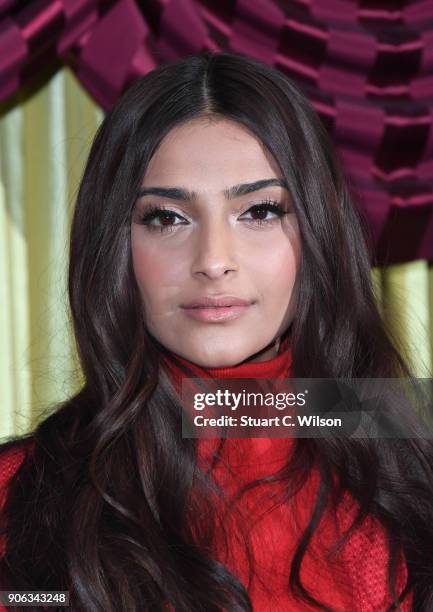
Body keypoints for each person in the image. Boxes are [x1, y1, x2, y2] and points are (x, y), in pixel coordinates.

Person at [0, 51, 432, 612]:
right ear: (115, 249)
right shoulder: (20, 501)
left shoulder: (412, 468)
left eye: (258, 212)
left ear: (320, 234)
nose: (213, 260)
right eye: (166, 217)